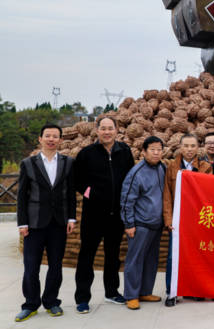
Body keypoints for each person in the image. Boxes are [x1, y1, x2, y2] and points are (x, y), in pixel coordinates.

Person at [15, 124, 76, 322]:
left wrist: (71, 218)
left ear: (60, 140)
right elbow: (22, 196)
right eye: (47, 136)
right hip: (34, 223)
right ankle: (30, 304)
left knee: (55, 265)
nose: (51, 139)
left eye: (55, 136)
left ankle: (52, 302)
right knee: (31, 266)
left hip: (58, 222)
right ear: (40, 139)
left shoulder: (68, 163)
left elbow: (71, 193)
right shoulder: (28, 163)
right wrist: (22, 223)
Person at [74, 116, 135, 313]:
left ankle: (112, 292)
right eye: (103, 128)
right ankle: (82, 298)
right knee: (87, 256)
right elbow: (76, 179)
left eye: (110, 128)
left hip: (116, 215)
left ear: (117, 130)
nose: (107, 132)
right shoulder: (87, 153)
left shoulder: (124, 151)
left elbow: (131, 177)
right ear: (97, 130)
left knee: (113, 255)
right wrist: (89, 192)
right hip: (93, 215)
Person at [163, 134, 212, 307]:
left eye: (193, 146)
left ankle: (195, 289)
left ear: (198, 147)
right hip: (178, 219)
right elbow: (167, 195)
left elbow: (209, 195)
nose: (189, 149)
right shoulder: (171, 167)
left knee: (197, 255)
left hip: (197, 220)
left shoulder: (206, 167)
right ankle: (172, 292)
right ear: (180, 147)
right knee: (173, 256)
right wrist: (169, 220)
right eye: (186, 146)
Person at [121, 136, 166, 310]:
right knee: (135, 259)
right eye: (153, 149)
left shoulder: (162, 167)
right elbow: (126, 200)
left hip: (156, 224)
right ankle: (131, 295)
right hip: (140, 224)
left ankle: (145, 291)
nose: (156, 152)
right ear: (144, 152)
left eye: (159, 149)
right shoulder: (136, 173)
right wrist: (129, 224)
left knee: (151, 260)